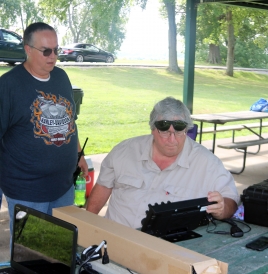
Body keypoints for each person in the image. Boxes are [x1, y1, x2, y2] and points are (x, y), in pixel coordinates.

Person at [86, 97, 239, 229]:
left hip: (166, 249)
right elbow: (103, 188)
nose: (172, 140)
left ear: (187, 129)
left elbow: (231, 200)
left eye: (179, 131)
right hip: (115, 238)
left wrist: (222, 209)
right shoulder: (124, 151)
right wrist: (85, 226)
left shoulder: (207, 163)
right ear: (152, 129)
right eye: (164, 131)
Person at [0, 22, 88, 234]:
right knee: (29, 255)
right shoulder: (8, 86)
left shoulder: (61, 77)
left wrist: (79, 154)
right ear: (28, 49)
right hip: (27, 191)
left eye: (56, 49)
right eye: (46, 51)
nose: (53, 56)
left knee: (60, 250)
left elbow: (70, 121)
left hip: (63, 187)